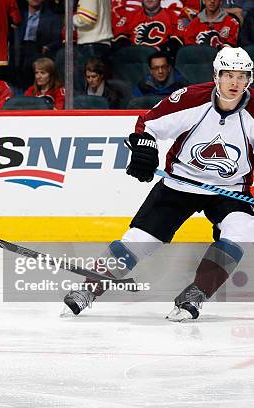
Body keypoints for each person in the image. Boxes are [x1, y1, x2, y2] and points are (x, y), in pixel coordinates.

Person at [62, 46, 254, 321]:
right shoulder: (190, 99)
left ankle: (197, 293)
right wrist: (146, 149)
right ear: (216, 75)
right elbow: (147, 124)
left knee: (242, 230)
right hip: (180, 183)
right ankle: (89, 289)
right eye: (228, 75)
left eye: (242, 76)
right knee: (141, 241)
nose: (235, 83)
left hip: (231, 190)